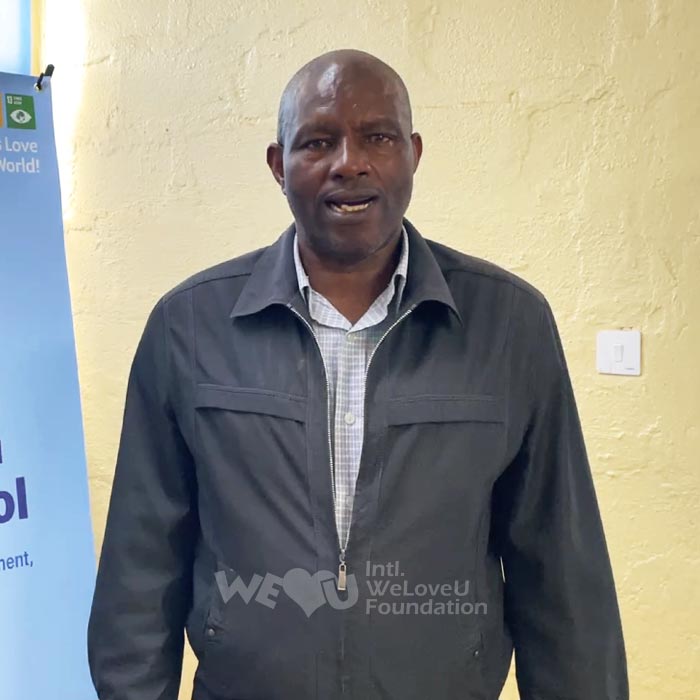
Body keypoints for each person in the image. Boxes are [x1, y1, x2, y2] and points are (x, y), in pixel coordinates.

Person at [88, 49, 628, 700]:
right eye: (318, 141)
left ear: (413, 154)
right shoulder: (191, 327)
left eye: (378, 137)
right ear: (278, 164)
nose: (350, 162)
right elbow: (141, 565)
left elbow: (561, 570)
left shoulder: (509, 325)